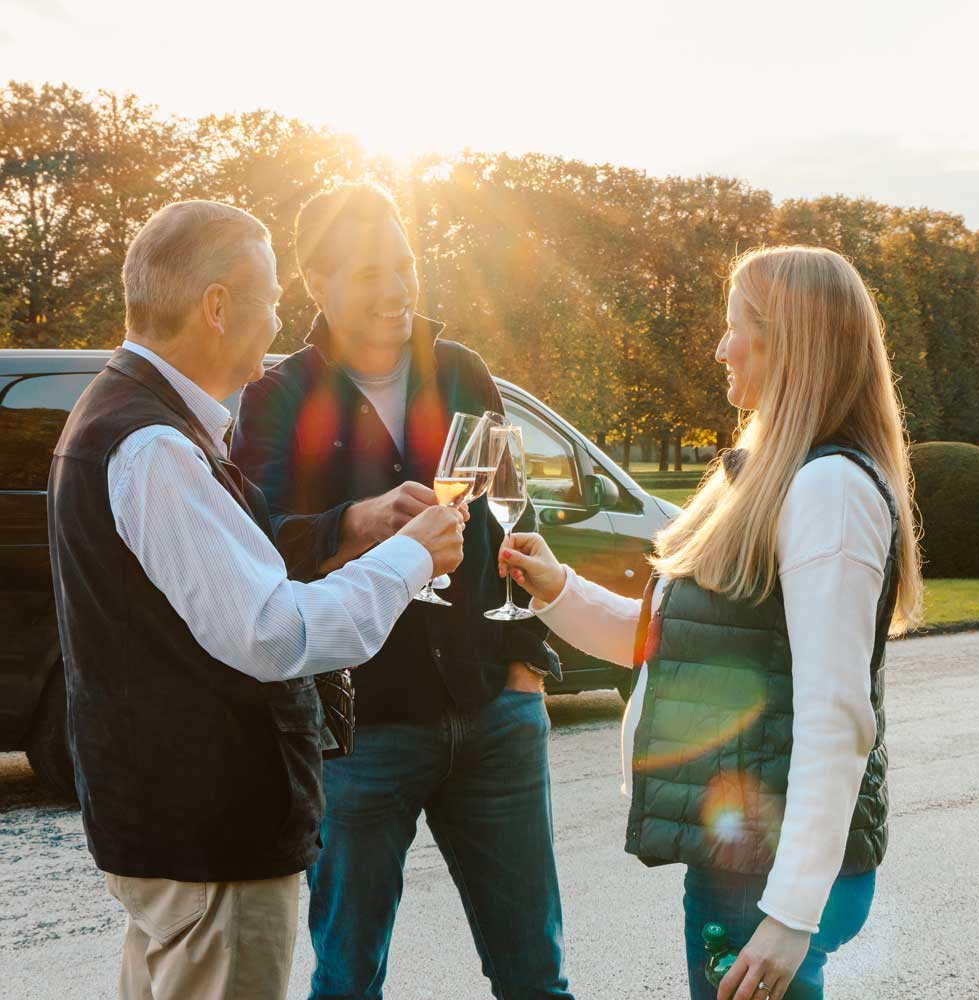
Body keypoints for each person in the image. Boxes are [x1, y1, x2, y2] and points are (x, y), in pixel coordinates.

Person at [47, 199, 466, 1000]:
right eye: (272, 297)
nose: (281, 319)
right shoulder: (155, 446)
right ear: (216, 307)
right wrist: (411, 558)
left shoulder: (125, 418)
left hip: (169, 831)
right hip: (210, 837)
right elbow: (273, 632)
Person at [499, 246, 922, 1000]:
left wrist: (791, 915)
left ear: (788, 341)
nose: (720, 348)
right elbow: (671, 650)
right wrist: (556, 588)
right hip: (746, 861)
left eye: (736, 328)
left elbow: (837, 716)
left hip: (767, 875)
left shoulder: (827, 488)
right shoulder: (770, 474)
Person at [231, 181, 574, 1000]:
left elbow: (509, 522)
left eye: (404, 265)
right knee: (348, 979)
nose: (395, 289)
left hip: (494, 712)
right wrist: (358, 522)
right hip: (360, 731)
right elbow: (255, 546)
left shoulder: (462, 372)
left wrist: (524, 664)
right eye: (370, 273)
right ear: (319, 284)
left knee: (536, 975)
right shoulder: (276, 395)